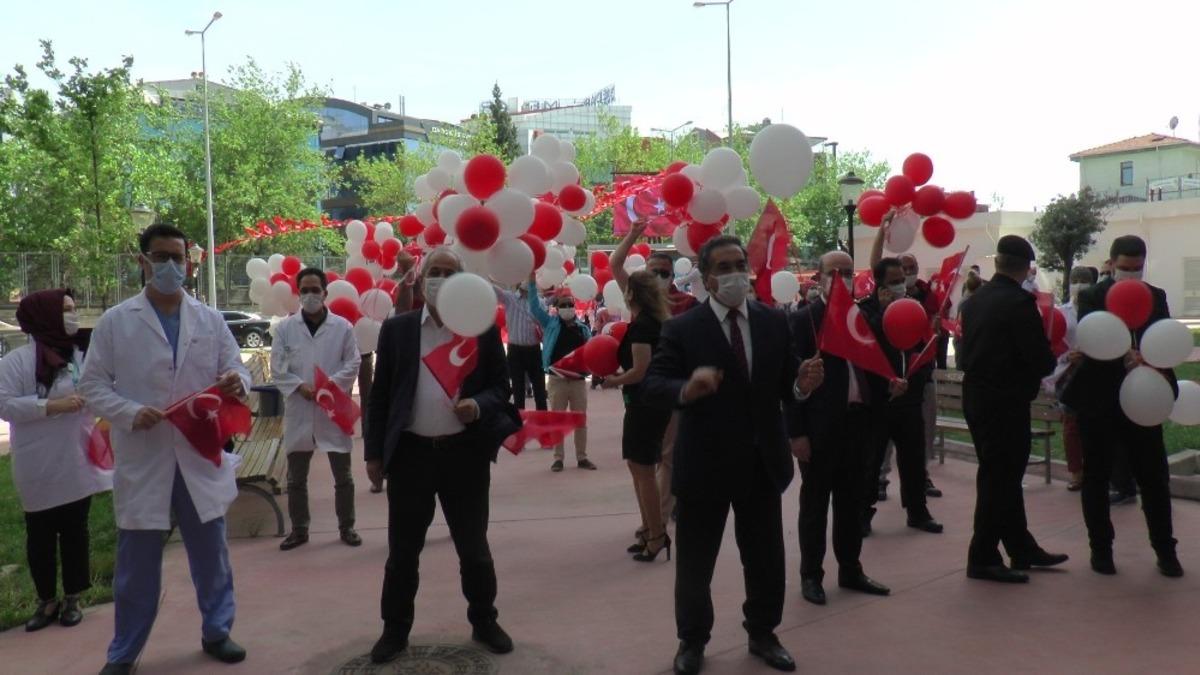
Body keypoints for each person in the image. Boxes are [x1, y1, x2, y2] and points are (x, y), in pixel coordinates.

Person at [643, 235, 821, 675]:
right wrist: (687, 388)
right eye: (723, 267)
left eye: (739, 263)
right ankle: (692, 641)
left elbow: (786, 387)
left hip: (762, 463)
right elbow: (653, 384)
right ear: (706, 277)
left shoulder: (772, 322)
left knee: (765, 558)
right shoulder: (682, 328)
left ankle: (763, 632)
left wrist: (802, 384)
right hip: (704, 464)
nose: (734, 273)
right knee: (695, 564)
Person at [78, 224, 251, 673]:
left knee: (211, 554)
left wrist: (239, 380)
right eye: (160, 257)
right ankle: (124, 653)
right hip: (145, 454)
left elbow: (236, 369)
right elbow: (92, 385)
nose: (170, 266)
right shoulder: (117, 322)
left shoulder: (210, 320)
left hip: (197, 453)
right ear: (142, 262)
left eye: (177, 257)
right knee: (136, 565)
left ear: (189, 265)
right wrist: (129, 411)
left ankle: (218, 631)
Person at [365, 247, 521, 663]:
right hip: (411, 457)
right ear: (420, 276)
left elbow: (501, 387)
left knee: (474, 549)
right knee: (402, 554)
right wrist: (374, 454)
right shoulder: (397, 330)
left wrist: (479, 406)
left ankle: (484, 620)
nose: (440, 278)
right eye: (434, 271)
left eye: (449, 272)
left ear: (463, 281)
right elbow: (379, 396)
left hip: (463, 457)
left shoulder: (481, 329)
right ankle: (395, 631)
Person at [1062, 235, 1183, 577]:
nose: (1131, 274)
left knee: (1154, 478)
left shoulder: (1156, 296)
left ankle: (1165, 549)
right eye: (1125, 268)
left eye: (1137, 268)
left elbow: (1163, 336)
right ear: (1112, 263)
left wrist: (1150, 360)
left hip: (1144, 399)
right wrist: (1122, 358)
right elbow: (1093, 341)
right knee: (1097, 476)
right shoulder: (1091, 297)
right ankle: (1101, 550)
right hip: (1099, 399)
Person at [0, 289, 111, 632]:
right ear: (44, 315)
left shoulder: (79, 355)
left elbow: (98, 392)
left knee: (76, 531)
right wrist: (50, 406)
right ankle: (46, 600)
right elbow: (4, 405)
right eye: (65, 309)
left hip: (76, 458)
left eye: (74, 308)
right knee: (41, 535)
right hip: (38, 462)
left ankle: (74, 598)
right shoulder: (16, 362)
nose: (72, 315)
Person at [958, 235, 1065, 583]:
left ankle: (1021, 546)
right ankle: (983, 556)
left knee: (1000, 476)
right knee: (1000, 479)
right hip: (1005, 402)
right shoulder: (1020, 304)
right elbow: (1038, 359)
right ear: (1026, 267)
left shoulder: (974, 301)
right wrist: (1056, 360)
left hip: (977, 398)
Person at [790, 251, 892, 608]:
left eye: (848, 272)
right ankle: (811, 576)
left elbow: (876, 369)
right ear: (818, 277)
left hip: (858, 426)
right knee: (815, 505)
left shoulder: (863, 319)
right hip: (818, 430)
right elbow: (790, 386)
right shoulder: (804, 322)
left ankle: (851, 569)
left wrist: (890, 385)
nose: (841, 278)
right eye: (834, 272)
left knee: (851, 504)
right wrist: (796, 433)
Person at [611, 219, 699, 526]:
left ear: (674, 276)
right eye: (653, 271)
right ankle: (654, 523)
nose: (658, 276)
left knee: (667, 455)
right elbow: (615, 264)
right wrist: (633, 233)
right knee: (642, 462)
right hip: (640, 395)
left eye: (664, 272)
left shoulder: (687, 303)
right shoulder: (639, 302)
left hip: (671, 388)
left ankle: (657, 523)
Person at [270, 268, 363, 550]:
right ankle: (300, 529)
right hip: (299, 407)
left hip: (332, 408)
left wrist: (330, 385)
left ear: (325, 292)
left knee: (343, 477)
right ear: (298, 293)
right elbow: (277, 368)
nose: (310, 295)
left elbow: (354, 362)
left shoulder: (343, 328)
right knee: (296, 478)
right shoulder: (286, 329)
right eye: (305, 290)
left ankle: (347, 527)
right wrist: (300, 387)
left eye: (315, 290)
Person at [859, 258, 944, 536]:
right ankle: (863, 514)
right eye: (894, 279)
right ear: (880, 283)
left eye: (903, 277)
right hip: (880, 399)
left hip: (909, 396)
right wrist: (883, 313)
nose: (901, 283)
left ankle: (918, 511)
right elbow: (868, 348)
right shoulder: (866, 311)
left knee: (913, 459)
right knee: (871, 461)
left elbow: (919, 345)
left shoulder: (913, 306)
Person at [601, 270, 673, 561]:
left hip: (645, 403)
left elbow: (640, 370)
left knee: (642, 468)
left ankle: (656, 534)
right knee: (638, 466)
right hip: (648, 402)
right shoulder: (654, 322)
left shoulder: (643, 326)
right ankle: (649, 528)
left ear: (632, 294)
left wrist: (613, 380)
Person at [870, 222, 943, 499]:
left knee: (923, 434)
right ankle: (879, 479)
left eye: (909, 271)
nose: (905, 278)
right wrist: (881, 231)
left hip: (920, 378)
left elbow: (932, 331)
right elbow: (876, 263)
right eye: (899, 275)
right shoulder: (875, 304)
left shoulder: (925, 295)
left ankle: (920, 480)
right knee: (884, 438)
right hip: (889, 382)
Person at [529, 283, 595, 472]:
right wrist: (532, 281)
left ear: (574, 307)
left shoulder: (583, 329)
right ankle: (558, 458)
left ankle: (582, 457)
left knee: (580, 419)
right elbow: (533, 306)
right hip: (556, 379)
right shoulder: (550, 324)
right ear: (557, 309)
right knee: (557, 419)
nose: (567, 308)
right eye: (563, 305)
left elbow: (591, 353)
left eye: (569, 304)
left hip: (578, 380)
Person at [1042, 266, 1097, 491]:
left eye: (1084, 280)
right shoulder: (1061, 312)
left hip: (1095, 372)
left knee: (1095, 426)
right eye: (1075, 279)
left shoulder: (1099, 311)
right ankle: (1077, 473)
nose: (1079, 284)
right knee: (1071, 426)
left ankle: (1097, 470)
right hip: (1069, 373)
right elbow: (1052, 345)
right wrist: (1067, 356)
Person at [494, 280, 548, 410]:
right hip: (515, 350)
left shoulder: (538, 302)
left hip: (533, 349)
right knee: (518, 389)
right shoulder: (510, 298)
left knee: (539, 389)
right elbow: (493, 289)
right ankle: (519, 422)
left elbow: (543, 324)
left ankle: (542, 421)